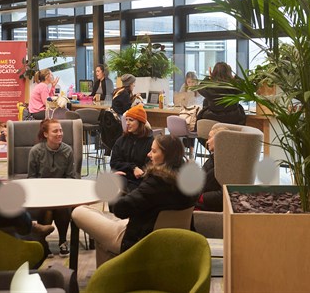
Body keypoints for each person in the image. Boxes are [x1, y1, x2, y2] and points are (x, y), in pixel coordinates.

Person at [72, 135, 198, 267]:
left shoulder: (156, 182)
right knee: (102, 239)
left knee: (79, 211)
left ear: (167, 156)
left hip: (140, 239)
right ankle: (113, 277)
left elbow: (120, 210)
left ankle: (109, 280)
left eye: (154, 151)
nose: (149, 154)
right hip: (175, 239)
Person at [27, 119, 75, 258]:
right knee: (47, 208)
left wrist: (61, 192)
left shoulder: (67, 150)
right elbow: (31, 178)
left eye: (61, 130)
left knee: (62, 207)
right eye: (55, 131)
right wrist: (43, 193)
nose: (60, 133)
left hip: (61, 192)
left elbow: (70, 177)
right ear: (46, 134)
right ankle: (43, 242)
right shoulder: (36, 151)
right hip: (41, 193)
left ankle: (62, 241)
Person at [110, 104, 154, 194]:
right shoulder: (121, 140)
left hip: (141, 180)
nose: (127, 123)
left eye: (131, 120)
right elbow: (114, 162)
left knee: (131, 192)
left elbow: (149, 167)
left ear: (140, 122)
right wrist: (132, 168)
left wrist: (136, 171)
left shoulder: (151, 142)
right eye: (126, 120)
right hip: (123, 176)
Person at [195, 126, 230, 212]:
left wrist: (200, 197)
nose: (207, 141)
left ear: (220, 139)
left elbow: (223, 194)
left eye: (210, 137)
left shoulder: (225, 164)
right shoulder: (215, 159)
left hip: (206, 205)